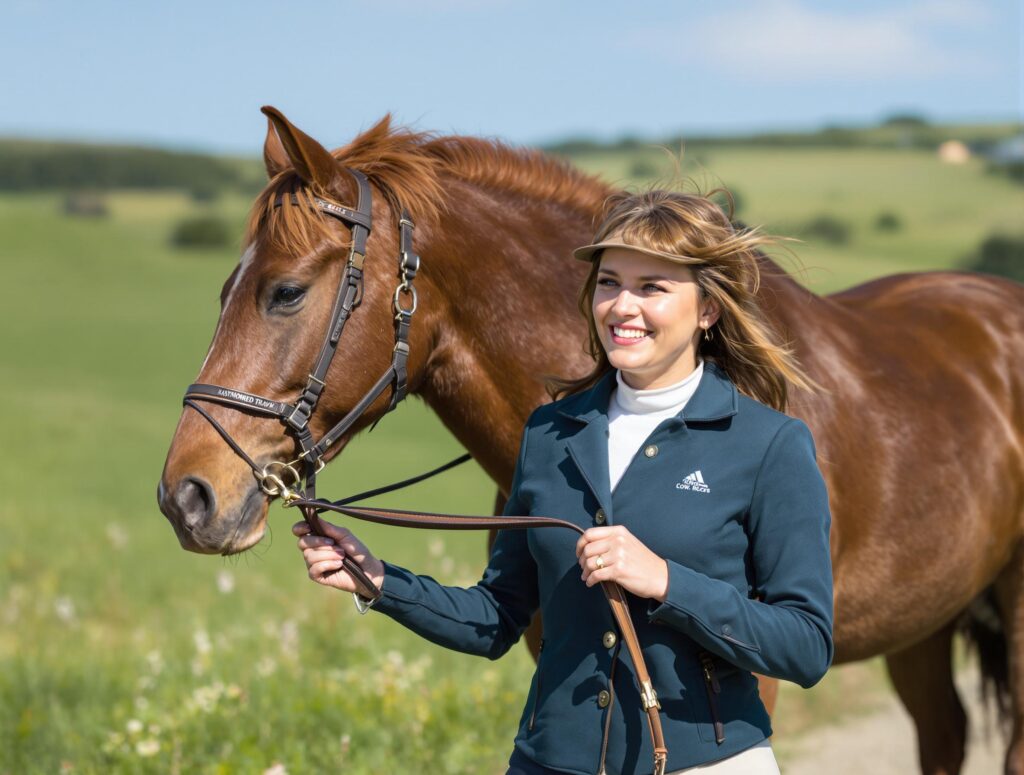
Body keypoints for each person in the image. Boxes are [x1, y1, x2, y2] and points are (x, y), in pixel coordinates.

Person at [293, 189, 834, 775]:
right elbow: (497, 617)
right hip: (547, 762)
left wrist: (665, 581)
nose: (623, 306)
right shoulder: (551, 432)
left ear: (708, 309)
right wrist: (377, 581)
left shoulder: (769, 444)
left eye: (653, 287)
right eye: (609, 283)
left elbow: (804, 646)